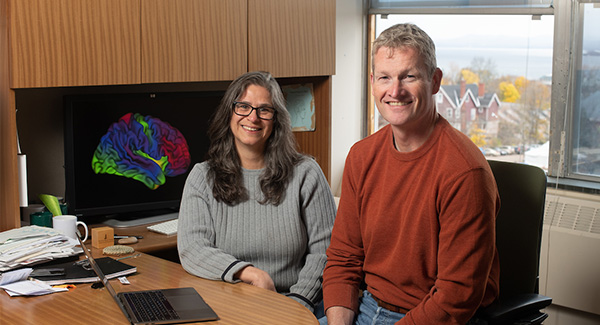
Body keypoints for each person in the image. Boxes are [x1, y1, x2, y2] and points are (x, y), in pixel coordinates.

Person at [322, 23, 500, 325]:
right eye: (385, 78)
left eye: (409, 76)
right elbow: (344, 258)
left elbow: (456, 297)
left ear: (434, 81)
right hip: (365, 307)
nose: (395, 91)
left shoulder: (465, 172)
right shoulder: (361, 156)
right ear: (372, 82)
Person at [177, 71, 336, 315]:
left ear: (276, 120)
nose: (253, 117)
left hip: (294, 304)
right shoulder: (202, 176)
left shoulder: (306, 173)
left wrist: (296, 305)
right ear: (229, 113)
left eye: (264, 110)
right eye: (243, 106)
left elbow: (325, 252)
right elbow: (192, 248)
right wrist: (250, 273)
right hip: (230, 306)